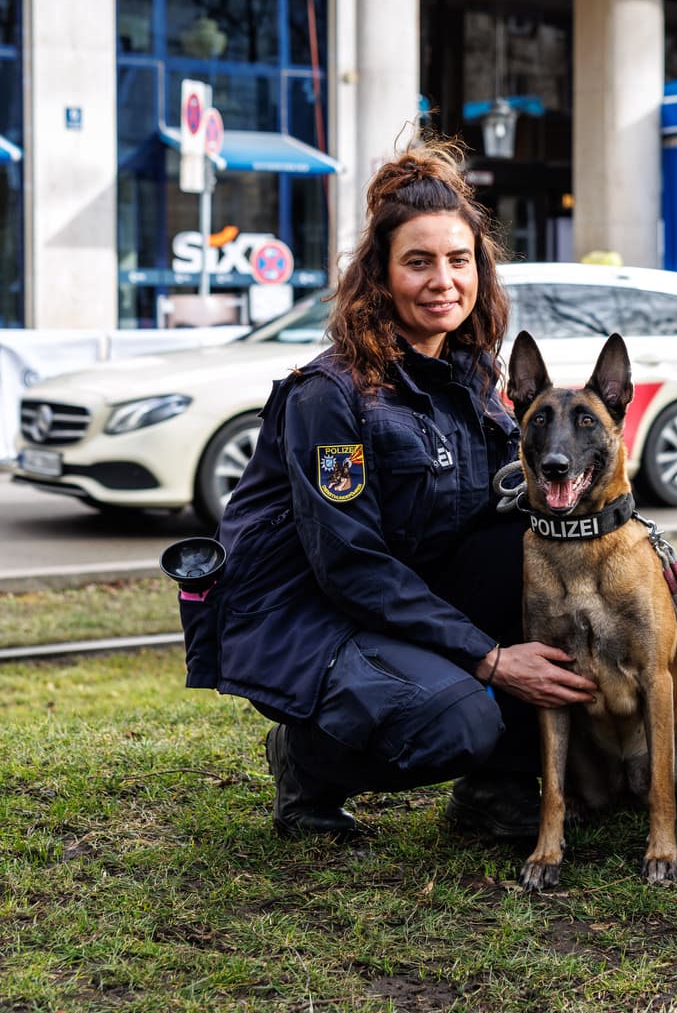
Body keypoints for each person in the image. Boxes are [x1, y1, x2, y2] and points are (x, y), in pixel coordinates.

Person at [211, 143, 597, 841]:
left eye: (459, 260)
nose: (444, 280)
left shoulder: (473, 375)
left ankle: (497, 789)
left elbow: (503, 515)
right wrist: (489, 657)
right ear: (380, 277)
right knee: (462, 717)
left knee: (541, 548)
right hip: (314, 615)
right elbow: (350, 564)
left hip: (405, 592)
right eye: (418, 262)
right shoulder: (329, 394)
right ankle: (308, 764)